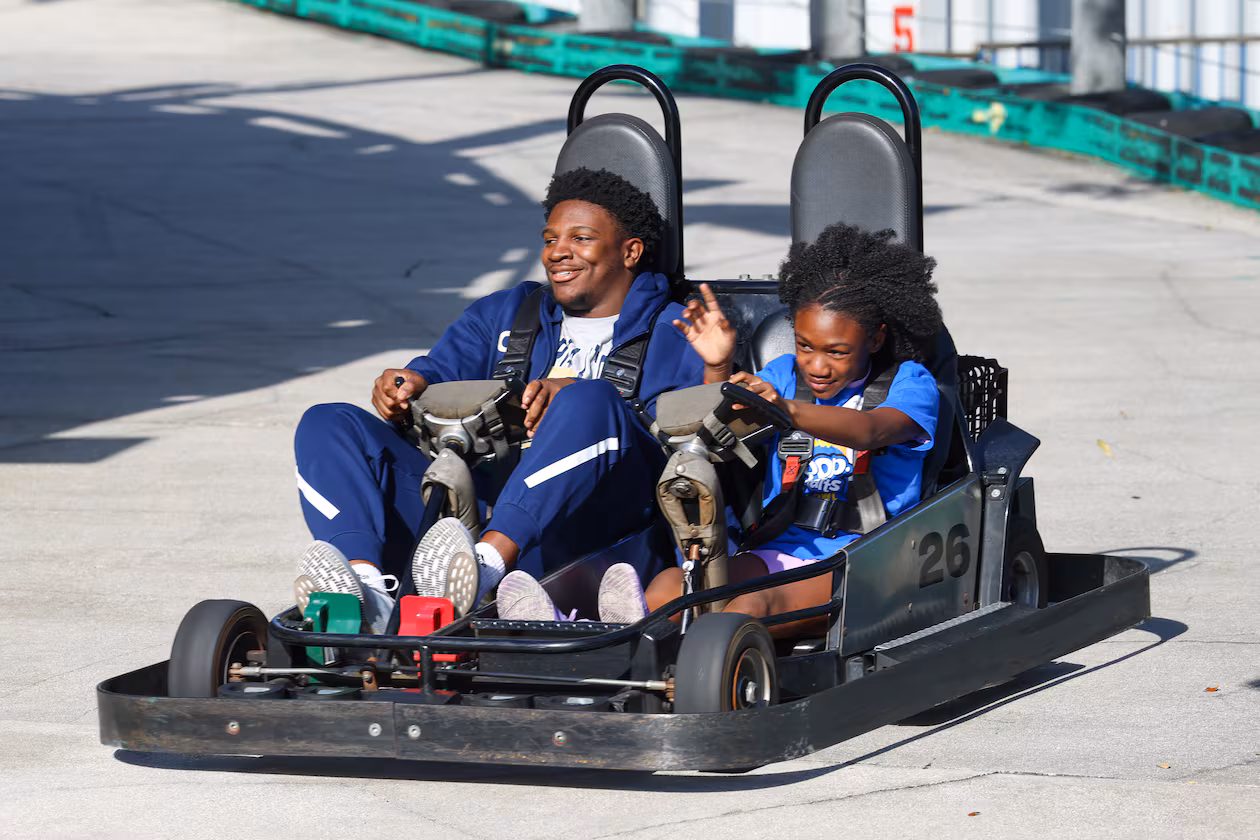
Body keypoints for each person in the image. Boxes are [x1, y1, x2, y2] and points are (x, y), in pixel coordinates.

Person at [291, 167, 705, 632]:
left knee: (588, 400)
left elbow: (692, 450)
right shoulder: (506, 313)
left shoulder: (680, 331)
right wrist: (408, 384)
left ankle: (484, 570)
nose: (558, 252)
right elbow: (439, 370)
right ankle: (368, 591)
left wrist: (579, 399)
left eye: (581, 238)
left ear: (630, 251)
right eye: (550, 239)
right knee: (328, 422)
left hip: (603, 529)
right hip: (472, 520)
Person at [496, 222, 943, 636]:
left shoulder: (907, 383)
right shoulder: (785, 375)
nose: (817, 365)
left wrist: (785, 409)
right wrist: (718, 367)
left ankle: (670, 650)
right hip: (777, 548)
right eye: (805, 346)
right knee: (670, 588)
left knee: (749, 606)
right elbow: (715, 433)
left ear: (876, 339)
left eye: (837, 352)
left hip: (864, 557)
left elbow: (870, 431)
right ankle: (580, 632)